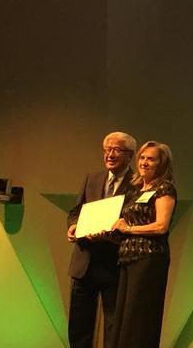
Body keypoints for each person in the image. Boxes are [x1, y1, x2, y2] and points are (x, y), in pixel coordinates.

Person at [67, 131, 137, 348]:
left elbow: (135, 220)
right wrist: (73, 226)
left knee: (113, 326)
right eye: (107, 149)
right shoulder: (92, 178)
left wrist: (113, 232)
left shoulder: (137, 184)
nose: (110, 154)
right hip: (84, 261)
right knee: (79, 326)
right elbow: (76, 211)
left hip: (114, 263)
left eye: (116, 149)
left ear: (130, 155)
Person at [107, 141, 177, 348]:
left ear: (162, 164)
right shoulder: (135, 190)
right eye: (142, 158)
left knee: (139, 318)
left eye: (151, 159)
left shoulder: (164, 188)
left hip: (148, 259)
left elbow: (161, 226)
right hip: (127, 258)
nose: (145, 162)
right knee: (125, 317)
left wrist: (128, 229)